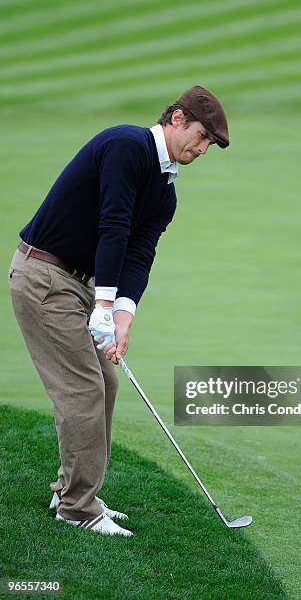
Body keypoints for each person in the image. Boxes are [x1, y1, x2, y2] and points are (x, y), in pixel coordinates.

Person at [8, 85, 229, 537]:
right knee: (83, 389)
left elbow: (138, 253)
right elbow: (113, 223)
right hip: (45, 277)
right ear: (177, 118)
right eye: (202, 136)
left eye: (209, 145)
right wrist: (103, 306)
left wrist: (122, 316)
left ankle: (71, 489)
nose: (203, 148)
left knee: (105, 383)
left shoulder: (165, 194)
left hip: (79, 286)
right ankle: (77, 509)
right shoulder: (126, 146)